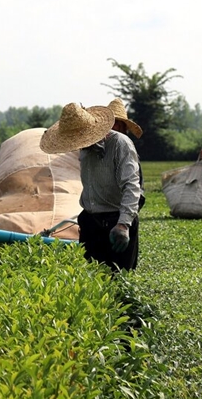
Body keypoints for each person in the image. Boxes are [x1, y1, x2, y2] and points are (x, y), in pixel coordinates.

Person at [40, 103, 142, 272]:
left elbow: (131, 186)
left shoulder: (120, 144)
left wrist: (123, 224)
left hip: (116, 221)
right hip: (91, 222)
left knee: (119, 278)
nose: (79, 145)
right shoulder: (85, 150)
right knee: (91, 278)